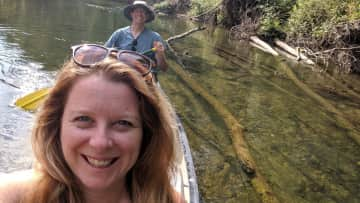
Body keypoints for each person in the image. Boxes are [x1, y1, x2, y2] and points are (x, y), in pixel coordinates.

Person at [0, 44, 185, 203]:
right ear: (57, 125)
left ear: (146, 134)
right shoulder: (10, 195)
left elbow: (162, 65)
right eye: (84, 119)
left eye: (123, 123)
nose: (100, 143)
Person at [105, 0, 168, 73]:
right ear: (131, 14)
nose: (140, 14)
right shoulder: (119, 33)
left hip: (145, 77)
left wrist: (160, 54)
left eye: (143, 12)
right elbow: (104, 54)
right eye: (137, 11)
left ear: (147, 16)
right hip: (121, 73)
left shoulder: (155, 37)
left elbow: (164, 68)